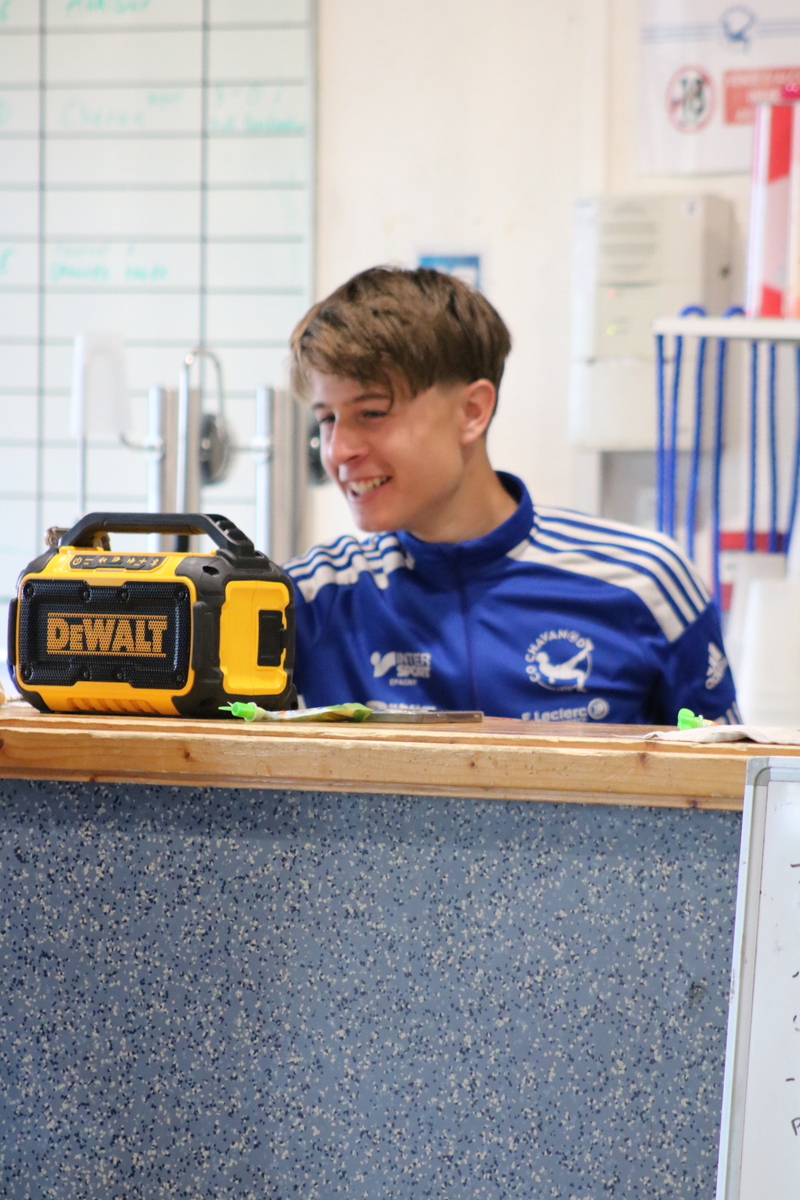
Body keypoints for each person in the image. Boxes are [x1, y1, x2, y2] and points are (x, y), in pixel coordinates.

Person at [284, 266, 739, 725]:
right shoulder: (305, 599)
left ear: (472, 411)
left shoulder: (644, 581)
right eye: (327, 419)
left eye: (372, 412)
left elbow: (729, 767)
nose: (338, 450)